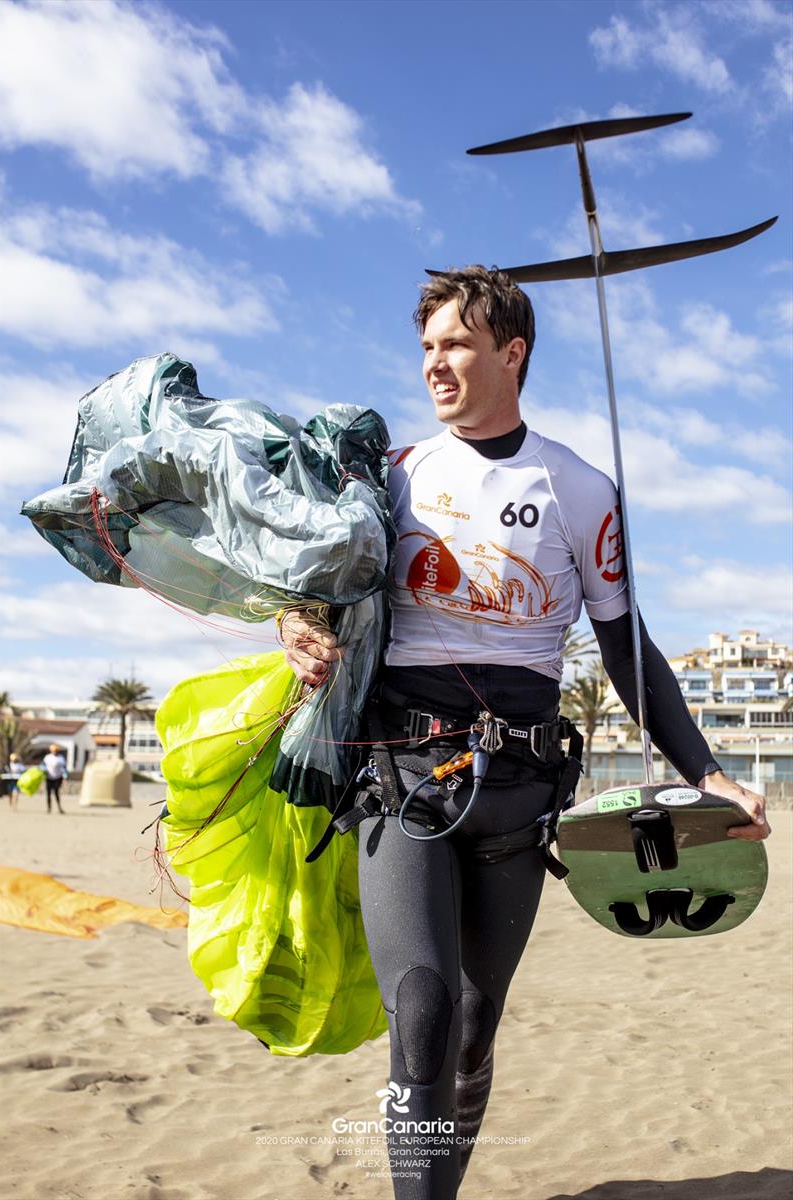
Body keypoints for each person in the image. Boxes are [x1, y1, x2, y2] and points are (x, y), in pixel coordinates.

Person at [280, 266, 769, 1200]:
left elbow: (627, 647)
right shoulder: (393, 479)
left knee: (471, 1021)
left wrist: (703, 770)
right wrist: (297, 629)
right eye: (426, 347)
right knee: (419, 1013)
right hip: (400, 777)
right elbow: (318, 599)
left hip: (517, 791)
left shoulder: (580, 488)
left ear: (513, 352)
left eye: (455, 344)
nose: (435, 363)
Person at [41, 744, 67, 814]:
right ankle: (49, 808)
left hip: (57, 778)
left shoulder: (61, 758)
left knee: (56, 793)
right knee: (48, 794)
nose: (54, 752)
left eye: (56, 751)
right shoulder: (47, 757)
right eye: (53, 751)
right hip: (49, 777)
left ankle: (59, 807)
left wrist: (65, 777)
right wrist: (43, 770)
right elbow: (42, 765)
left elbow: (64, 768)